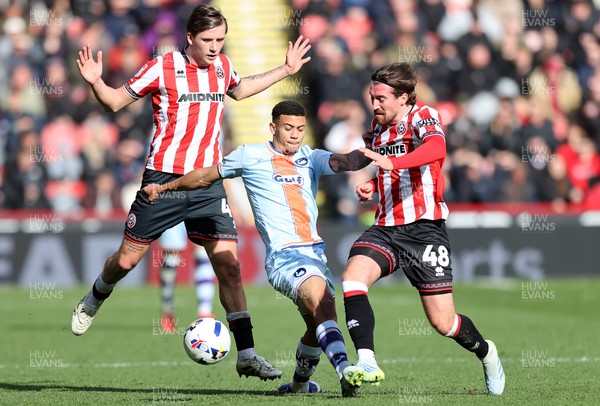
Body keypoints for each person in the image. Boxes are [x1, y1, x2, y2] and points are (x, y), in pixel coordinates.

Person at [71, 5, 311, 381]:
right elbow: (115, 102)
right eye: (208, 41)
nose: (215, 47)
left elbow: (241, 89)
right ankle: (96, 296)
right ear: (190, 38)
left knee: (229, 267)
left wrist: (285, 69)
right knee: (126, 261)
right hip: (162, 182)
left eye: (221, 40)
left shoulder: (222, 66)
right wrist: (95, 82)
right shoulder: (162, 67)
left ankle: (246, 353)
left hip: (207, 181)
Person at [142, 100, 371, 397]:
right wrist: (164, 188)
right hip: (285, 257)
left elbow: (349, 161)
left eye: (301, 129)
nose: (295, 135)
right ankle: (345, 372)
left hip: (315, 254)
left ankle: (300, 385)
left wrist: (383, 145)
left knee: (318, 323)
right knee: (323, 305)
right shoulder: (250, 156)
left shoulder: (310, 157)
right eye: (288, 128)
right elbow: (204, 176)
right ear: (273, 127)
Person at [341, 62, 505, 395]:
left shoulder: (423, 116)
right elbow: (388, 167)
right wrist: (374, 183)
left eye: (381, 99)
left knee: (444, 323)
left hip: (424, 229)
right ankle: (367, 360)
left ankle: (486, 352)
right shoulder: (376, 127)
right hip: (385, 226)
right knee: (352, 280)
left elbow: (436, 150)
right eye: (372, 97)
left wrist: (392, 163)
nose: (374, 105)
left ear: (403, 97)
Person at [157, 223, 216, 333]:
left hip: (199, 206)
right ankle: (167, 312)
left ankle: (205, 312)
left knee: (203, 249)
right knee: (172, 255)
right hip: (171, 207)